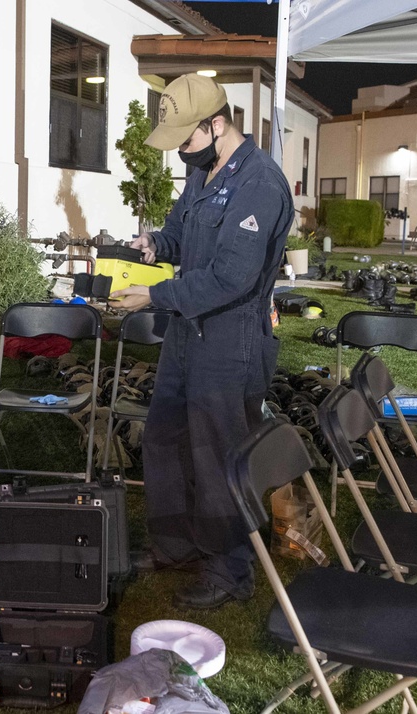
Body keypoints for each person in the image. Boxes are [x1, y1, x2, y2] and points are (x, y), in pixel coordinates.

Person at [111, 75, 293, 609]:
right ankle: (177, 547)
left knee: (218, 456)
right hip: (188, 334)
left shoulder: (259, 183)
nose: (181, 153)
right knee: (166, 440)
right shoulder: (202, 171)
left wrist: (155, 295)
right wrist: (154, 244)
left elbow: (231, 277)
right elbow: (179, 235)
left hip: (230, 338)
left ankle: (230, 569)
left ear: (217, 124)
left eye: (185, 140)